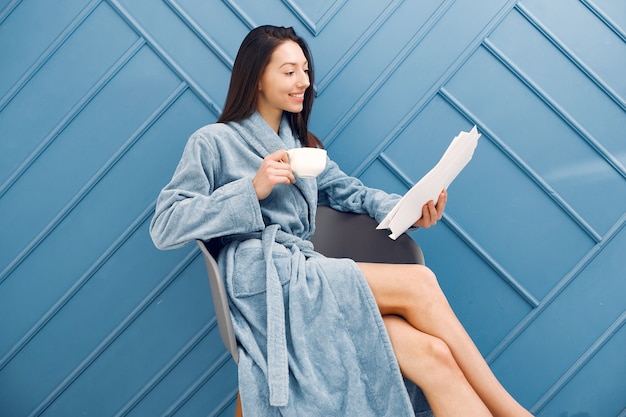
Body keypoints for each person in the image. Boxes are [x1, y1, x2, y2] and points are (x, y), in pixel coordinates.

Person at [150, 25, 533, 417]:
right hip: (265, 282)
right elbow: (165, 225)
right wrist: (251, 189)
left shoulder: (302, 146)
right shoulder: (212, 142)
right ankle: (512, 411)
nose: (304, 82)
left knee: (432, 354)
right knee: (420, 283)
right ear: (257, 78)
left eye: (305, 70)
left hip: (308, 273)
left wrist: (409, 210)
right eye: (288, 72)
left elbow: (353, 193)